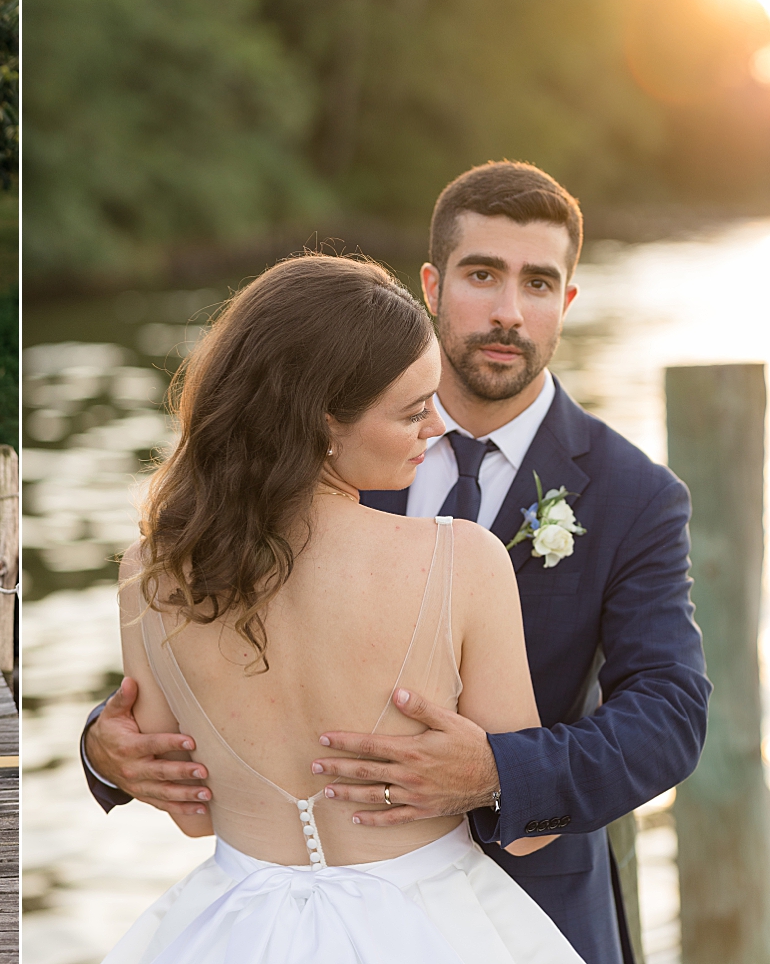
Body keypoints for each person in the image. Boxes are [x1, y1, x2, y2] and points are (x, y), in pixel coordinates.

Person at [83, 162, 710, 964]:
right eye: (483, 274)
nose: (509, 310)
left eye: (540, 283)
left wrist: (498, 771)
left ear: (568, 302)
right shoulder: (338, 439)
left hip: (533, 908)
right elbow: (230, 621)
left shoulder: (635, 493)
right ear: (433, 284)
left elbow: (670, 713)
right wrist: (105, 743)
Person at [101, 253, 582, 963]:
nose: (435, 429)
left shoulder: (152, 574)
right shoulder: (463, 559)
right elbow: (531, 826)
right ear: (324, 421)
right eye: (415, 411)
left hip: (234, 930)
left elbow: (193, 813)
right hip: (432, 924)